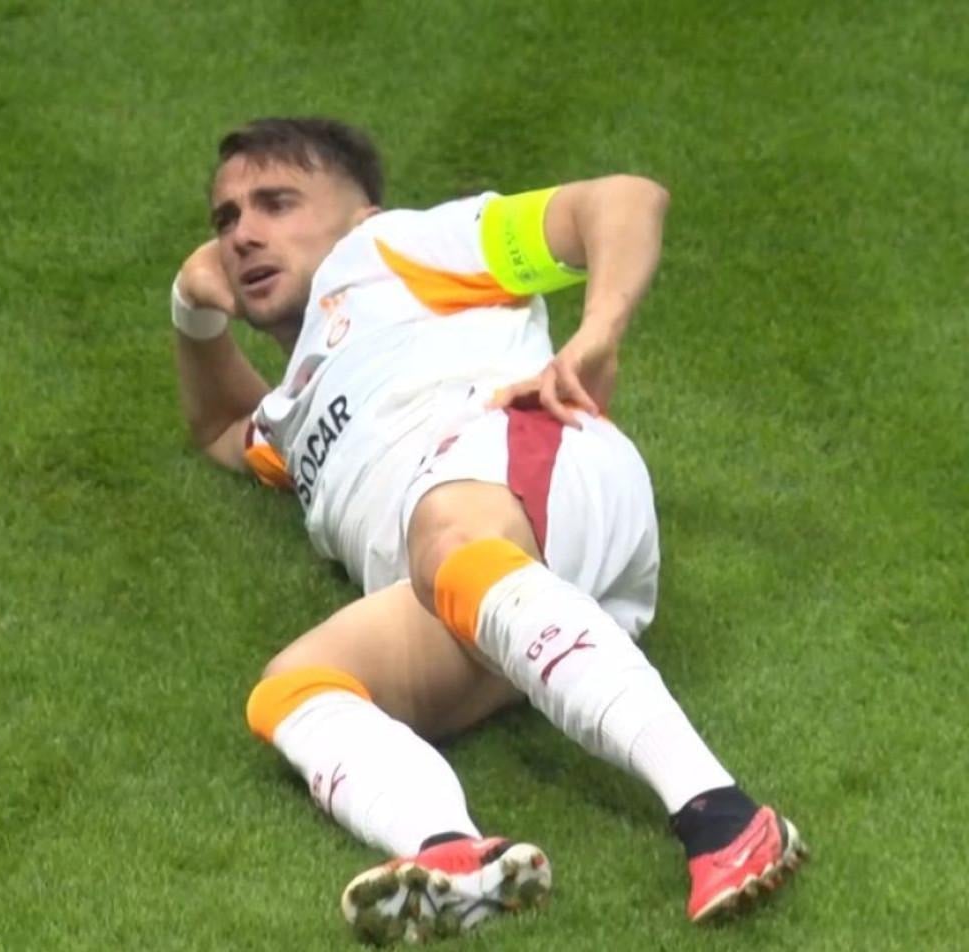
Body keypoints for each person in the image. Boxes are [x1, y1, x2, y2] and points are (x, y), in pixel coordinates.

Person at [171, 117, 807, 945]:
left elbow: (622, 202)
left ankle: (721, 813)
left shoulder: (398, 249)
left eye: (276, 203)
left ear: (361, 214)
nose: (243, 234)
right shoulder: (294, 407)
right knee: (294, 688)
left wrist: (597, 333)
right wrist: (191, 308)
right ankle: (453, 854)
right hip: (481, 591)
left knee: (448, 545)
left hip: (532, 462)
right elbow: (221, 426)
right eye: (226, 220)